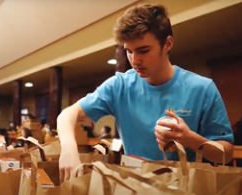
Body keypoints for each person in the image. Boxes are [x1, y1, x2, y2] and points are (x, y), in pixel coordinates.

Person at [57, 3, 234, 182]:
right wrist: (69, 150)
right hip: (133, 189)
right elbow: (66, 115)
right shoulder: (120, 85)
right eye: (129, 52)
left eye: (143, 51)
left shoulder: (202, 88)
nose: (135, 60)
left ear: (167, 44)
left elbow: (225, 154)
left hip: (183, 194)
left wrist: (189, 139)